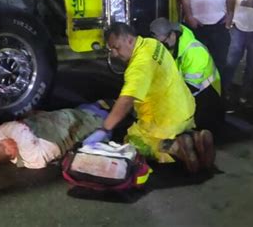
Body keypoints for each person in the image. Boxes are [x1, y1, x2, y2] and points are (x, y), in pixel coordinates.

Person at [83, 22, 215, 173]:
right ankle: (195, 137)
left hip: (165, 120)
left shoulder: (138, 66)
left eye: (116, 47)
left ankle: (174, 147)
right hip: (187, 110)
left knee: (133, 142)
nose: (114, 53)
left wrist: (104, 129)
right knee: (172, 126)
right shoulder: (152, 43)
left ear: (130, 40)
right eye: (110, 49)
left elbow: (126, 100)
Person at [0, 100, 112, 169]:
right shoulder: (29, 154)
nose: (3, 137)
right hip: (94, 122)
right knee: (106, 109)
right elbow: (17, 129)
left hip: (77, 117)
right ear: (10, 152)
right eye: (1, 141)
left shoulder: (25, 152)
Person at [149, 17, 224, 133]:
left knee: (188, 130)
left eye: (162, 43)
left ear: (172, 35)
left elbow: (190, 88)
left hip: (207, 97)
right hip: (191, 93)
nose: (161, 46)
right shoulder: (171, 46)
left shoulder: (194, 52)